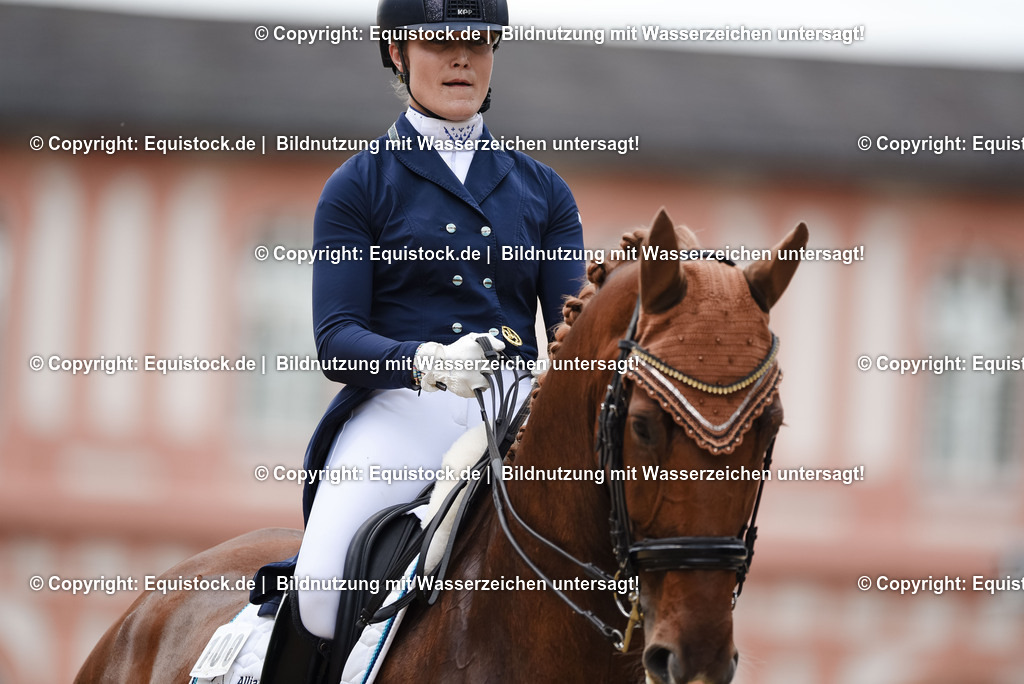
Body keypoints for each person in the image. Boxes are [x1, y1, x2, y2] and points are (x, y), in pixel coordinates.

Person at [285, 0, 586, 653]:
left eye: (479, 43)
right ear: (397, 52)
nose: (462, 58)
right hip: (402, 410)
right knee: (319, 580)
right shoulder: (357, 186)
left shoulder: (545, 192)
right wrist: (429, 362)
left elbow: (572, 338)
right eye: (441, 41)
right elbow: (335, 338)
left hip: (513, 416)